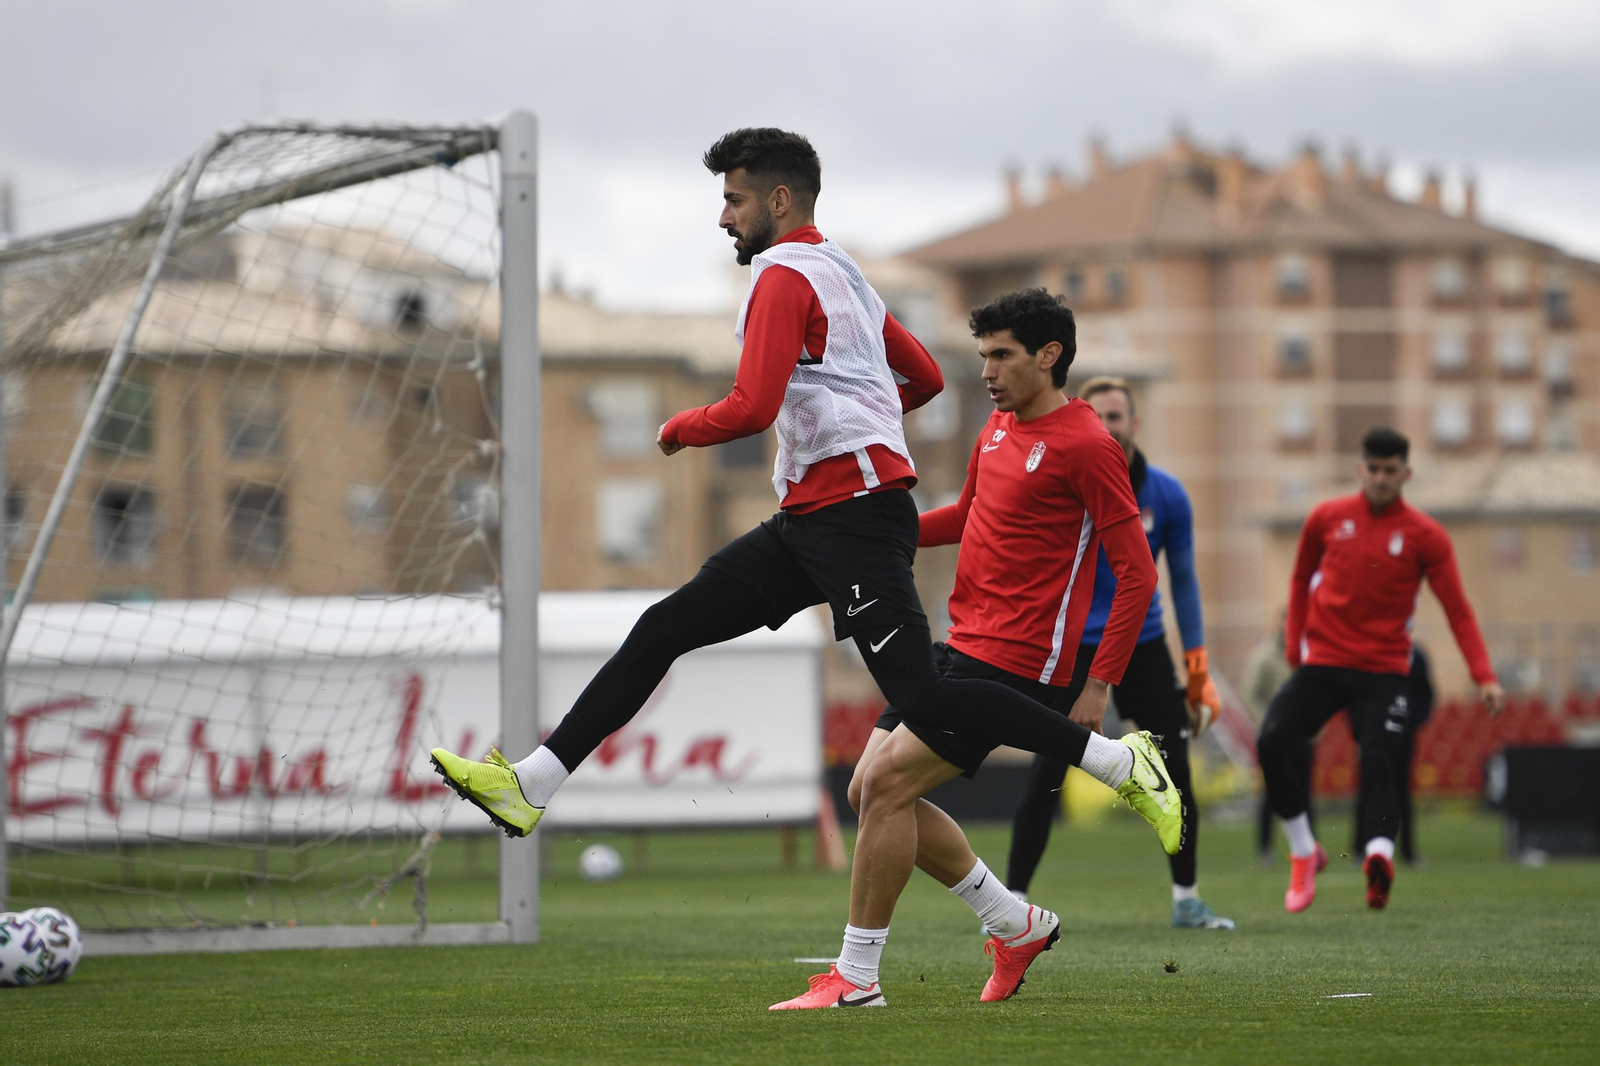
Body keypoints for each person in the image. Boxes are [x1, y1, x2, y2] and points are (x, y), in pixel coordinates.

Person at [427, 129, 1181, 995]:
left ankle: (1117, 765)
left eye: (734, 200)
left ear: (778, 201)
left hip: (852, 519)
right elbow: (925, 377)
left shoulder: (784, 276)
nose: (725, 218)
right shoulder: (844, 272)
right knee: (669, 628)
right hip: (814, 519)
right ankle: (532, 782)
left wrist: (680, 427)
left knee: (918, 711)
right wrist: (860, 414)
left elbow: (751, 407)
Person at [772, 288, 1168, 1011]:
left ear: (1048, 356)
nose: (986, 371)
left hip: (1019, 661)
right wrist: (873, 536)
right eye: (983, 355)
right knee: (867, 790)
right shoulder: (996, 427)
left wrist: (1099, 684)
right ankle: (1012, 923)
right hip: (961, 643)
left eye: (1001, 356)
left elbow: (1138, 573)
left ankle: (857, 978)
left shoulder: (1087, 446)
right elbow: (967, 515)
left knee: (887, 790)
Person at [1003, 376, 1232, 930]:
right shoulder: (1065, 480)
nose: (1108, 426)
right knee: (1046, 775)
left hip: (1143, 649)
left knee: (1175, 774)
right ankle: (1008, 906)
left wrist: (1197, 669)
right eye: (1098, 416)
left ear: (1135, 423)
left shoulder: (1168, 495)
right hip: (1073, 650)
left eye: (1117, 416)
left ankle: (1187, 899)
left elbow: (1184, 583)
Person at [1258, 427, 1505, 912]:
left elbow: (1457, 609)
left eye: (1390, 471)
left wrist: (1484, 677)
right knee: (1272, 742)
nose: (1380, 478)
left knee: (1381, 759)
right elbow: (1300, 577)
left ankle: (1378, 858)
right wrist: (1294, 645)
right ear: (1361, 470)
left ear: (1406, 473)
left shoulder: (1426, 535)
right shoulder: (1327, 518)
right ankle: (1304, 851)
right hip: (1324, 662)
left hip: (1384, 671)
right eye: (1373, 469)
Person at [1354, 643, 1434, 863]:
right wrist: (1360, 729)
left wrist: (1412, 722)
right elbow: (1355, 697)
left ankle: (1407, 850)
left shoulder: (1416, 657)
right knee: (1368, 787)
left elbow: (1425, 693)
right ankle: (1361, 848)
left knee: (1402, 789)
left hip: (1404, 736)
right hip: (1372, 733)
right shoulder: (1369, 652)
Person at [1241, 609, 1295, 861]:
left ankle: (1307, 849)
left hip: (1300, 735)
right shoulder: (1264, 656)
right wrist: (1268, 723)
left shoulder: (1306, 654)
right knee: (1270, 792)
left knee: (1303, 792)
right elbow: (1251, 694)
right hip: (1273, 736)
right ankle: (1265, 848)